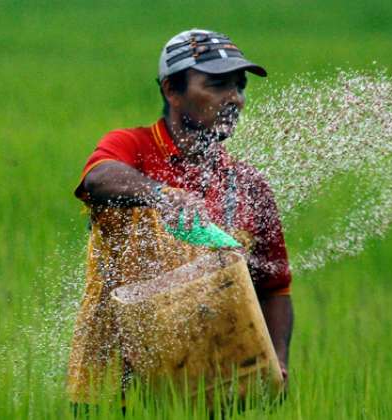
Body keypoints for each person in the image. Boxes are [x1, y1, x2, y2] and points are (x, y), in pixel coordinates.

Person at [66, 29, 293, 404]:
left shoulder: (249, 184)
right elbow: (98, 179)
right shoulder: (133, 148)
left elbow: (275, 288)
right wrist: (161, 195)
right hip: (112, 389)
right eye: (218, 85)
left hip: (213, 387)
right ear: (173, 90)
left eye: (240, 86)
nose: (235, 98)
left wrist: (276, 363)